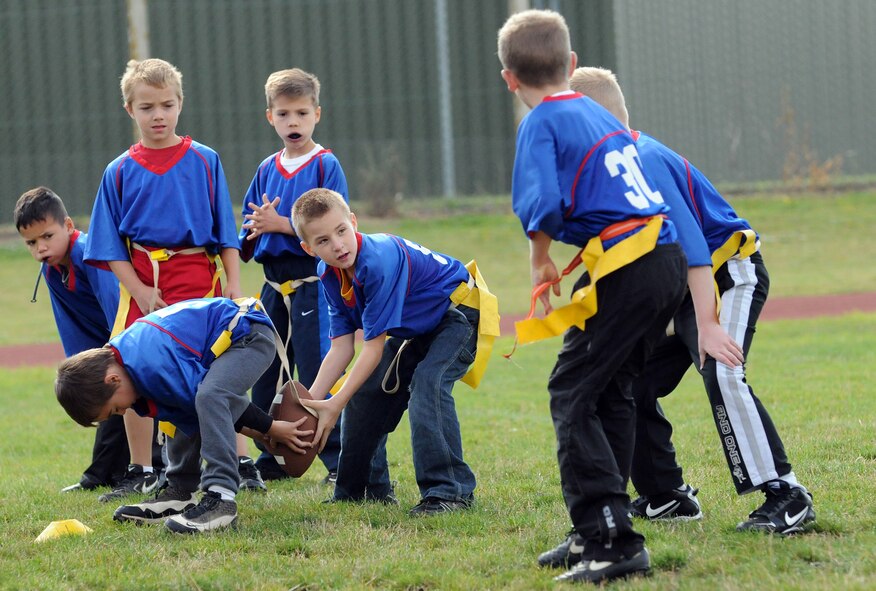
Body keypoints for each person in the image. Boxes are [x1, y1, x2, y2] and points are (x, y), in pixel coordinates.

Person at [569, 66, 815, 534]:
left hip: (726, 272)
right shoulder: (611, 166)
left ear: (593, 120)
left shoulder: (640, 156)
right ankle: (666, 497)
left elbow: (695, 248)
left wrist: (706, 323)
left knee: (721, 368)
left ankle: (787, 494)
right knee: (629, 380)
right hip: (676, 285)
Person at [497, 9, 688, 584]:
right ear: (571, 64)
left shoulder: (541, 122)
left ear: (510, 79)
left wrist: (539, 259)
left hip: (628, 266)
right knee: (611, 390)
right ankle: (600, 526)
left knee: (571, 390)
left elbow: (542, 201)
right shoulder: (594, 110)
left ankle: (612, 538)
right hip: (663, 258)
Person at [84, 58, 254, 502]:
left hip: (200, 277)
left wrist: (233, 282)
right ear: (130, 110)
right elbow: (106, 245)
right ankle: (143, 467)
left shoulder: (205, 159)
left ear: (180, 104)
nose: (158, 115)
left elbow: (225, 231)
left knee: (216, 371)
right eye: (146, 107)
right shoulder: (118, 170)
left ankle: (239, 458)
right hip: (147, 285)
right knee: (131, 366)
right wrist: (139, 290)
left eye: (167, 104)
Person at [290, 188, 499, 516]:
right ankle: (361, 491)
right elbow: (342, 347)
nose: (338, 245)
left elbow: (372, 348)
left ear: (353, 222)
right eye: (323, 241)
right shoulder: (328, 274)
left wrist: (334, 403)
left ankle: (449, 493)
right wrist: (311, 406)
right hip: (421, 327)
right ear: (308, 248)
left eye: (342, 231)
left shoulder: (377, 260)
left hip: (459, 314)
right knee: (364, 396)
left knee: (427, 385)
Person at [54, 297, 315, 534]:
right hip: (222, 339)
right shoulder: (129, 362)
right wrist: (265, 428)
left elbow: (214, 401)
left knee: (207, 397)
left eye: (114, 409)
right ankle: (180, 490)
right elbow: (192, 409)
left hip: (248, 335)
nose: (123, 412)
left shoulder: (152, 364)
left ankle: (221, 497)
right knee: (181, 407)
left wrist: (270, 428)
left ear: (112, 380)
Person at [238, 68, 345, 484]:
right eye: (284, 114)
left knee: (318, 370)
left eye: (301, 113)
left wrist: (282, 223)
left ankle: (339, 462)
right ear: (270, 117)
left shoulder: (326, 164)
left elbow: (334, 224)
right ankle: (273, 457)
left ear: (316, 114)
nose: (293, 122)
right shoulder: (266, 167)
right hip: (272, 286)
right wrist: (252, 231)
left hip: (312, 285)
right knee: (265, 368)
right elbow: (250, 221)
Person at [14, 186, 128, 492]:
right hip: (103, 345)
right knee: (100, 395)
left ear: (68, 226)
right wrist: (82, 369)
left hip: (128, 338)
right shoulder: (50, 270)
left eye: (47, 236)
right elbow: (72, 325)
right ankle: (101, 475)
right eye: (31, 242)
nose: (40, 248)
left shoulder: (90, 256)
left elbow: (119, 311)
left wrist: (118, 350)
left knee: (122, 395)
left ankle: (143, 470)